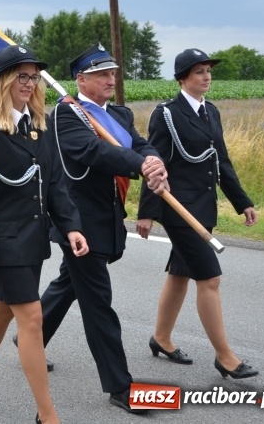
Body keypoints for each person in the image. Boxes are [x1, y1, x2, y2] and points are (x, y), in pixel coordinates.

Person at [0, 46, 88, 424]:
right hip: (3, 240)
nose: (29, 84)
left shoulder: (39, 125)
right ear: (4, 81)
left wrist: (72, 226)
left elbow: (56, 184)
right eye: (22, 76)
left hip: (33, 239)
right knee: (31, 319)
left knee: (3, 310)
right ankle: (47, 414)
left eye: (34, 77)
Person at [38, 44, 168, 414]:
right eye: (102, 74)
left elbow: (141, 145)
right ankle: (120, 387)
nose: (111, 79)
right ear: (81, 80)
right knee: (99, 305)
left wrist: (153, 160)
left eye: (112, 73)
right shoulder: (67, 116)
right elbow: (94, 153)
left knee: (68, 285)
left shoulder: (120, 115)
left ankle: (31, 338)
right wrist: (140, 166)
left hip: (106, 218)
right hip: (78, 222)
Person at [136, 48, 259, 379]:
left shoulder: (212, 112)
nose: (206, 77)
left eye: (208, 71)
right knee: (210, 278)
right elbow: (153, 163)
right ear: (182, 79)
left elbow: (222, 162)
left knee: (179, 274)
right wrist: (146, 212)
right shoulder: (166, 115)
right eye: (198, 72)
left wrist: (242, 201)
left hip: (204, 207)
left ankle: (161, 338)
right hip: (179, 211)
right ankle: (226, 356)